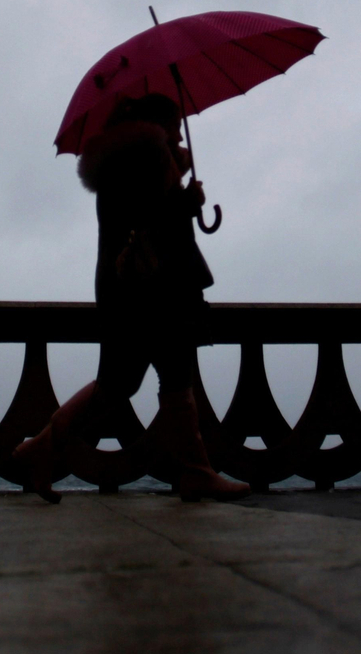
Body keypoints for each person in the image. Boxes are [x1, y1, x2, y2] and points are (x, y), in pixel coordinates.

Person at [14, 92, 250, 503]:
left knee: (123, 381)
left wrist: (177, 186)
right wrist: (185, 200)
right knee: (163, 376)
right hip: (152, 290)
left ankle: (39, 451)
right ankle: (195, 473)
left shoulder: (125, 157)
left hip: (127, 290)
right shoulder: (146, 156)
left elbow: (138, 217)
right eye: (174, 123)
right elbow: (151, 220)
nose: (179, 131)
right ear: (157, 124)